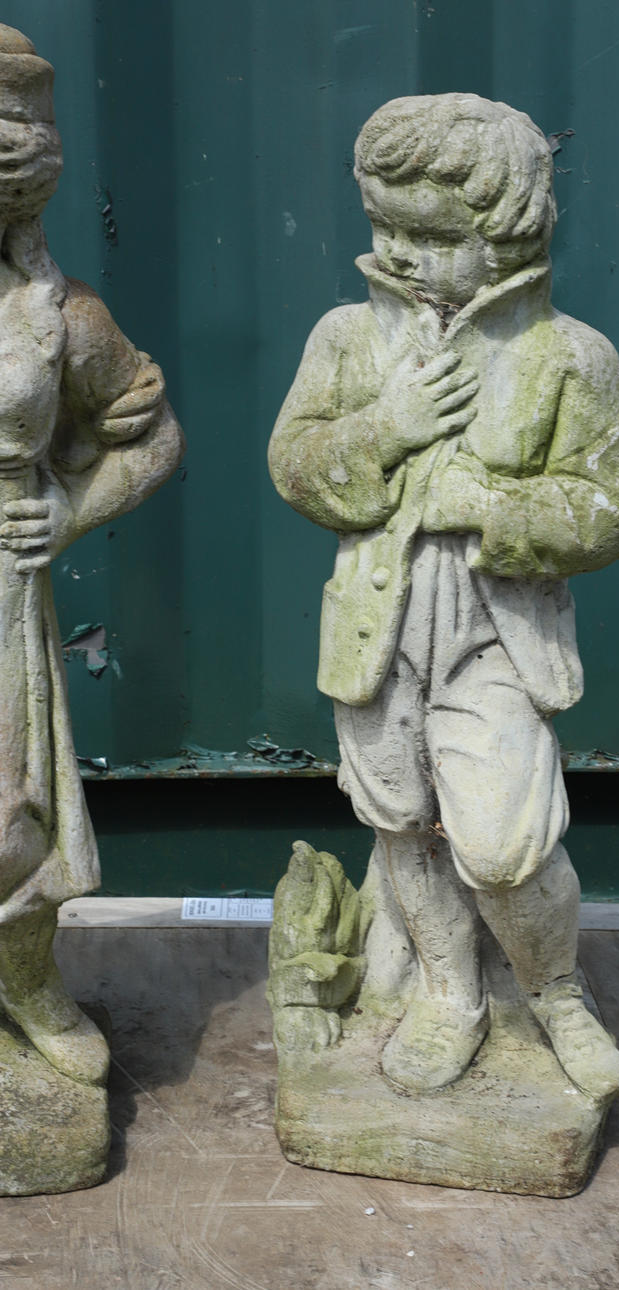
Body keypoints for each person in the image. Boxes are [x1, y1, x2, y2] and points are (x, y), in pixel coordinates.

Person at [269, 93, 619, 1101]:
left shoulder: (569, 358)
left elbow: (611, 508)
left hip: (495, 639)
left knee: (503, 844)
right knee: (401, 820)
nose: (401, 254)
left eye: (434, 238)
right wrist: (384, 429)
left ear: (509, 235)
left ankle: (555, 991)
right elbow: (295, 465)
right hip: (377, 631)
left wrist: (487, 502)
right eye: (384, 227)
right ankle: (448, 994)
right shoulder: (346, 340)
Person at [0, 26, 184, 1085]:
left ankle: (25, 983)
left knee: (9, 822)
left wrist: (69, 510)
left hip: (2, 584)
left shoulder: (60, 315)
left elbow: (153, 438)